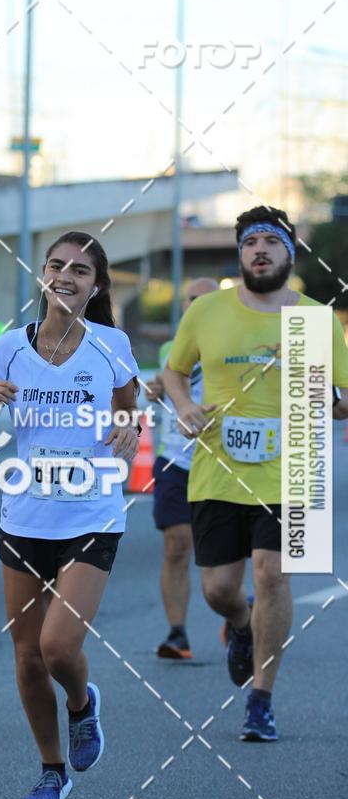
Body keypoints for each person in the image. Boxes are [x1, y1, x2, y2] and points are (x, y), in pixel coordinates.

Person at [0, 231, 140, 799]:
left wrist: (130, 433)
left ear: (96, 285)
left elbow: (128, 418)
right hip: (24, 515)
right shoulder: (10, 347)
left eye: (80, 270)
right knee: (26, 656)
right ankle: (51, 769)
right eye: (57, 266)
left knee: (59, 647)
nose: (66, 276)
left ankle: (82, 706)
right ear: (43, 274)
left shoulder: (111, 344)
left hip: (92, 513)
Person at [163, 206, 348, 741]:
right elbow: (175, 371)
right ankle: (242, 625)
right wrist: (183, 406)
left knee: (272, 574)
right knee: (221, 590)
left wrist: (338, 403)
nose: (260, 249)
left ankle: (261, 700)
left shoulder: (315, 318)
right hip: (219, 469)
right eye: (250, 242)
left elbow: (338, 393)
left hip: (295, 466)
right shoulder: (208, 312)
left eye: (271, 241)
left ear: (290, 253)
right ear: (240, 253)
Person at [145, 278, 218, 660]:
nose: (195, 306)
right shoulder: (171, 348)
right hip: (174, 459)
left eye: (204, 300)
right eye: (191, 299)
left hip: (221, 461)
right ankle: (178, 634)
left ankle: (238, 613)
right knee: (176, 546)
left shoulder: (232, 346)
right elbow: (162, 387)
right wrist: (156, 391)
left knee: (218, 566)